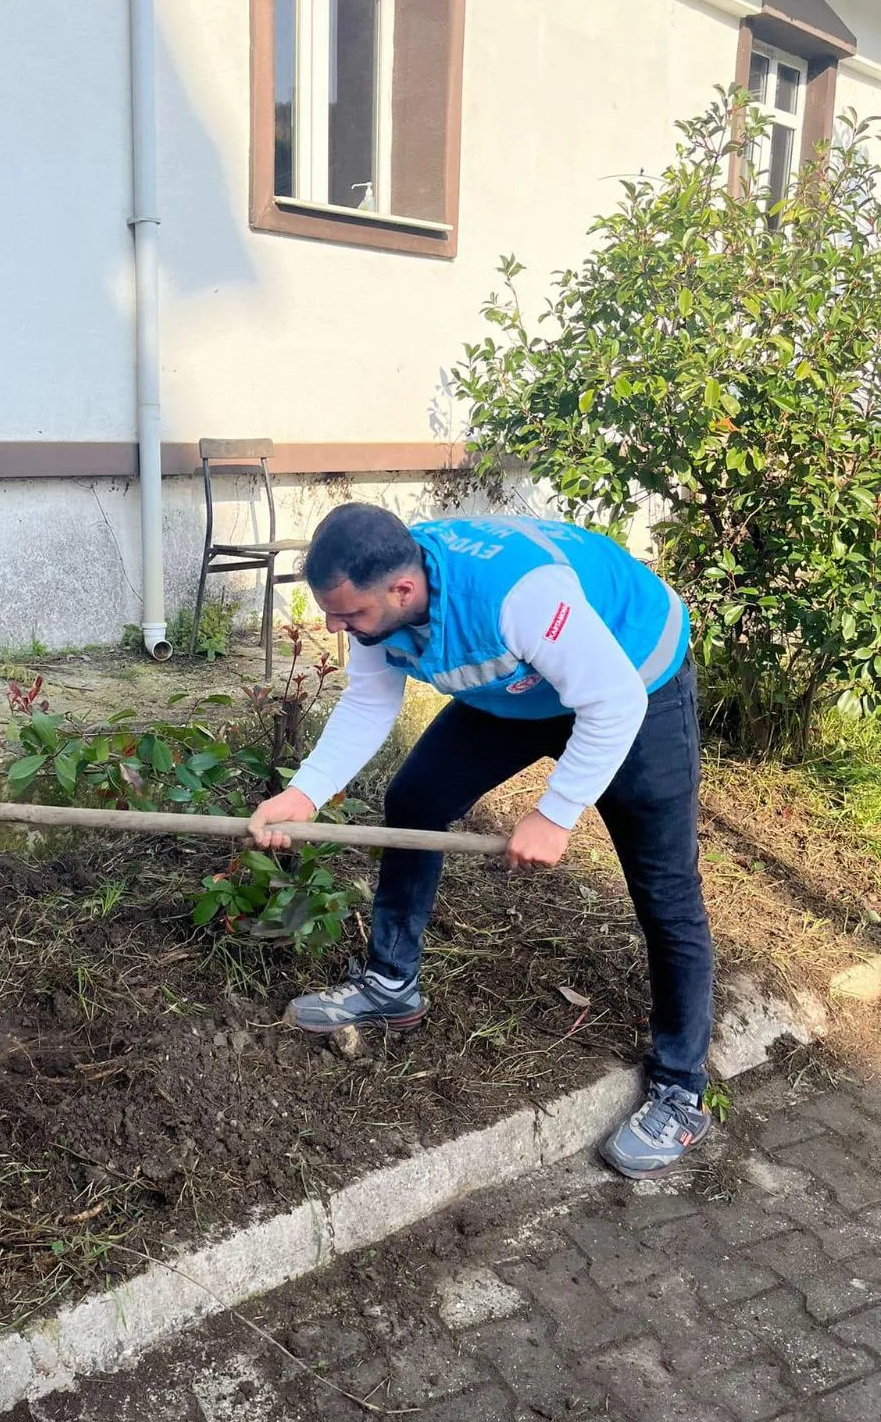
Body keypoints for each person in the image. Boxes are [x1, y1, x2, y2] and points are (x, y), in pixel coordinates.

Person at [248, 504, 715, 1179]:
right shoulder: (384, 597)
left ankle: (680, 1087)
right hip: (525, 688)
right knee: (414, 802)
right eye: (330, 613)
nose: (333, 627)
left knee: (665, 887)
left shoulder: (517, 598)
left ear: (402, 591)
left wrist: (554, 815)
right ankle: (390, 982)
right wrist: (304, 793)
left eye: (346, 615)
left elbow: (612, 700)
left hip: (633, 676)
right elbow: (368, 701)